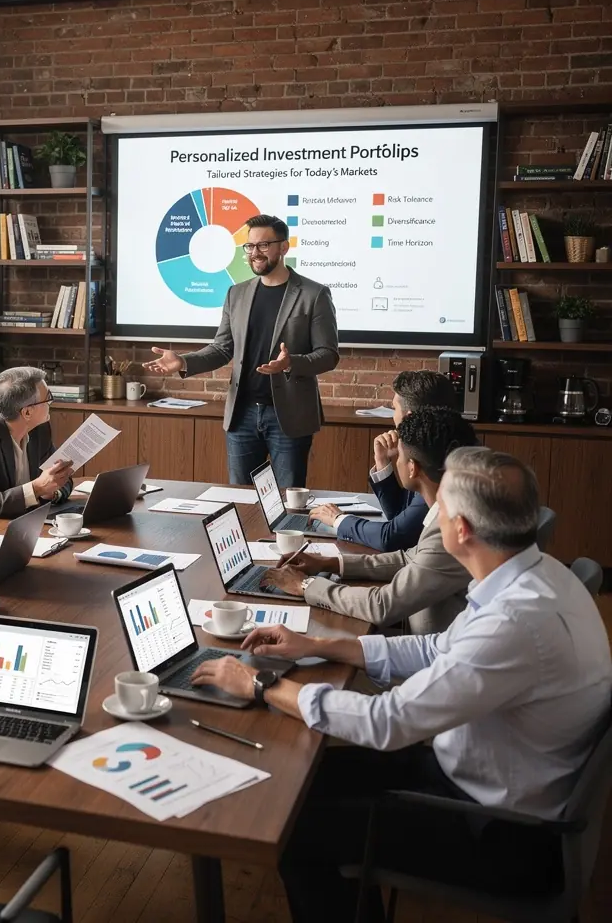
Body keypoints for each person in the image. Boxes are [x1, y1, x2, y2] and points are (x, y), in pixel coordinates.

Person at [191, 447, 612, 923]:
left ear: (462, 530)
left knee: (297, 830)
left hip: (502, 833)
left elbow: (384, 722)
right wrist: (319, 645)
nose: (432, 515)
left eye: (441, 508)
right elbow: (438, 649)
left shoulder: (513, 622)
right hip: (487, 778)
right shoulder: (539, 575)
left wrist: (260, 684)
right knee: (303, 784)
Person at [143, 214, 339, 488]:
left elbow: (328, 354)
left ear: (284, 247)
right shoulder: (237, 294)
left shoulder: (313, 294)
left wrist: (291, 363)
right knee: (241, 498)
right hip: (242, 415)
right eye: (250, 247)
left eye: (263, 245)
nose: (255, 253)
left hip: (289, 416)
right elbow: (222, 349)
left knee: (288, 502)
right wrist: (183, 361)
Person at [262, 405, 478, 634]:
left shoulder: (452, 528)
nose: (398, 462)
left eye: (401, 456)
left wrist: (305, 585)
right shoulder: (456, 506)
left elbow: (382, 605)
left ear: (413, 468)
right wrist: (329, 563)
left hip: (432, 657)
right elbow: (409, 560)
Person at [309, 369, 458, 551]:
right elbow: (400, 516)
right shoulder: (439, 443)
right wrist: (382, 462)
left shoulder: (437, 460)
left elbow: (392, 537)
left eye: (394, 408)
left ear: (408, 416)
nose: (393, 416)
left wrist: (338, 519)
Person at [0, 367, 74, 534]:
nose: (51, 404)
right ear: (27, 412)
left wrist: (52, 493)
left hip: (27, 528)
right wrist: (36, 488)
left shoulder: (40, 429)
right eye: (48, 399)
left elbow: (61, 478)